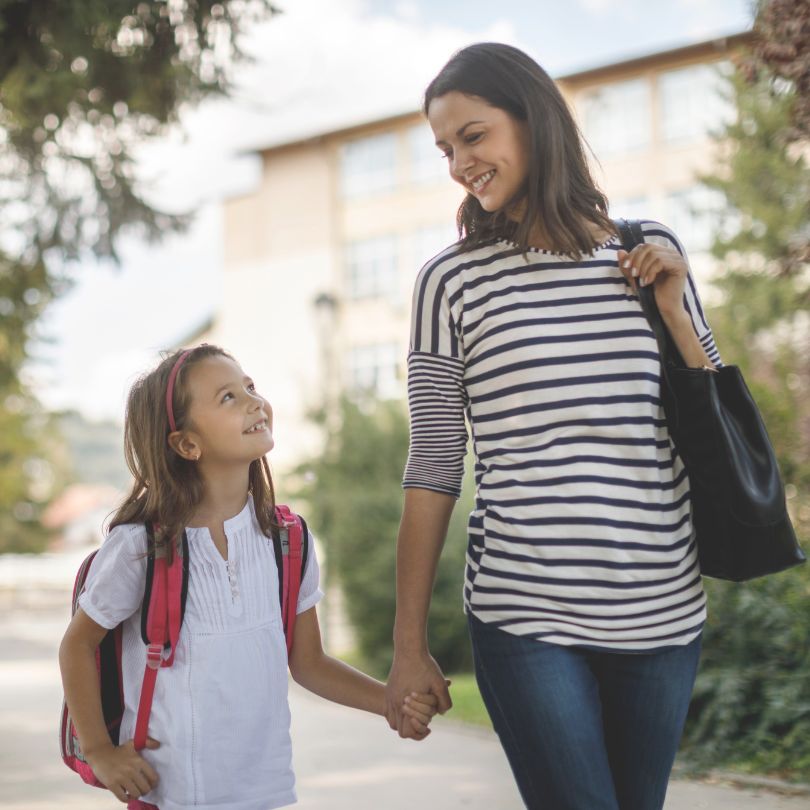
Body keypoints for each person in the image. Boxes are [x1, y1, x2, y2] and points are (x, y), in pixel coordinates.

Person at [384, 43, 722, 810]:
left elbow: (713, 421)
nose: (459, 163)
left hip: (662, 610)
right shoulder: (450, 282)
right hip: (526, 610)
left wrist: (673, 305)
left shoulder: (645, 251)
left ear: (533, 121)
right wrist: (410, 647)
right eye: (445, 149)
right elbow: (435, 461)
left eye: (473, 136)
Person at [60, 344, 437, 810]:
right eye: (228, 398)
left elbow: (309, 663)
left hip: (266, 792)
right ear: (186, 444)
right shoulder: (142, 547)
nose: (254, 401)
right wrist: (99, 751)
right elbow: (77, 644)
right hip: (171, 794)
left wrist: (389, 702)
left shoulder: (287, 541)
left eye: (250, 387)